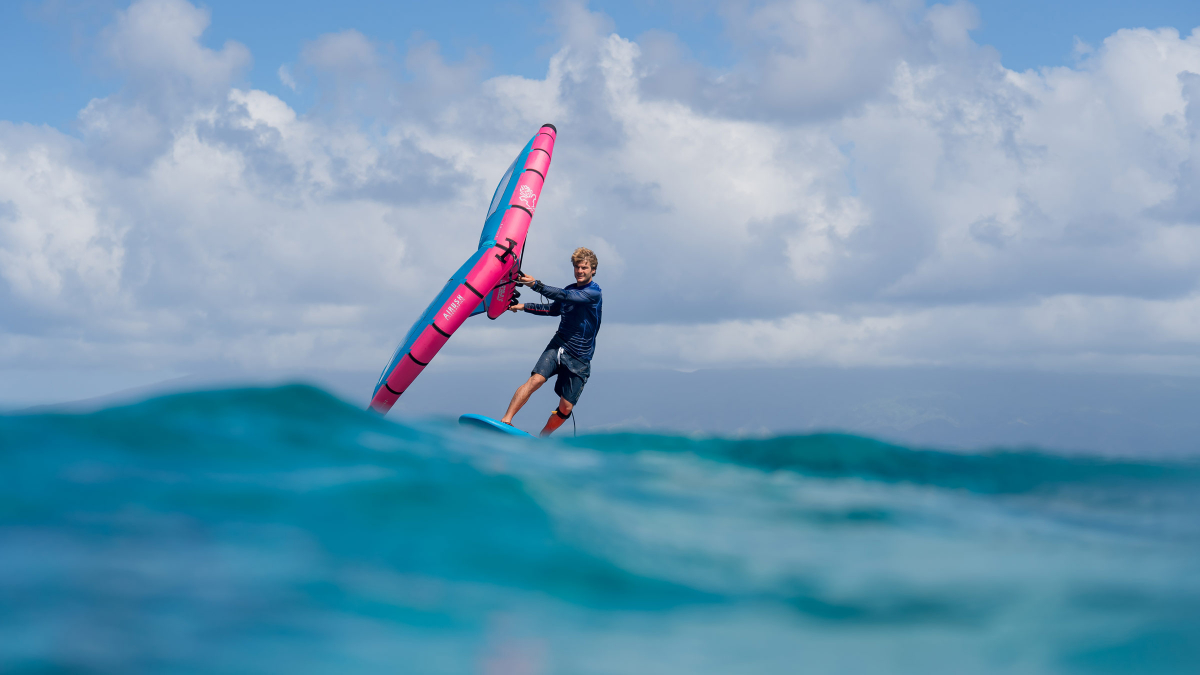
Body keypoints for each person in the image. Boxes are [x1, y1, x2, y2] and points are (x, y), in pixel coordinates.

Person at [499, 247, 602, 437]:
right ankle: (506, 420)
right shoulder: (570, 289)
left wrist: (535, 285)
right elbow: (553, 310)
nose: (580, 271)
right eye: (577, 267)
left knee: (565, 407)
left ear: (593, 270)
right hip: (559, 345)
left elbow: (564, 296)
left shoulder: (593, 293)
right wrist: (522, 306)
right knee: (535, 380)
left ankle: (543, 437)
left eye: (584, 268)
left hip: (580, 358)